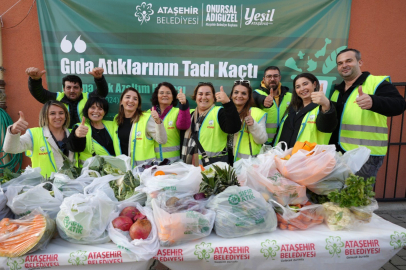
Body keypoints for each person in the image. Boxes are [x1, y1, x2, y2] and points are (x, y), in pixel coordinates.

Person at [330, 48, 406, 180]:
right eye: (340, 63)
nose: (344, 65)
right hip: (338, 153)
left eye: (349, 61)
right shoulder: (337, 91)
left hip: (365, 156)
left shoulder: (377, 83)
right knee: (336, 197)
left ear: (360, 62)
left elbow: (399, 105)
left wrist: (374, 101)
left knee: (358, 198)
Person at [3, 100, 82, 177]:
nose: (58, 117)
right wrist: (13, 131)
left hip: (71, 185)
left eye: (61, 113)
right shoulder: (33, 134)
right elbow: (10, 149)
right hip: (45, 187)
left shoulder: (74, 134)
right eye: (52, 113)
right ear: (45, 116)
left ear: (65, 116)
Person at [25, 67, 109, 128]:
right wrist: (34, 80)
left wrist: (99, 79)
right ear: (63, 89)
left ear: (81, 89)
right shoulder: (57, 98)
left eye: (75, 87)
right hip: (62, 137)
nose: (72, 90)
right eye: (68, 87)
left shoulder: (88, 97)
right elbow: (39, 94)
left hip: (84, 136)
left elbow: (102, 93)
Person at [181, 82, 241, 166]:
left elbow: (233, 128)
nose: (204, 97)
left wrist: (227, 103)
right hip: (191, 165)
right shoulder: (189, 114)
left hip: (215, 165)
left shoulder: (219, 112)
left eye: (208, 94)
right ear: (195, 97)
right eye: (200, 94)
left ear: (213, 98)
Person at [274, 73, 337, 148]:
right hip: (284, 156)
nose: (302, 89)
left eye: (305, 84)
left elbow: (326, 127)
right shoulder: (292, 109)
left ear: (314, 84)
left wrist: (326, 104)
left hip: (308, 157)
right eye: (298, 87)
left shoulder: (325, 107)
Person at [112, 87, 167, 168]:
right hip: (123, 169)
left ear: (138, 104)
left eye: (135, 99)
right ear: (121, 101)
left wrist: (158, 121)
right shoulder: (116, 119)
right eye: (127, 97)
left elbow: (162, 140)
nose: (131, 100)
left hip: (144, 170)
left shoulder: (147, 118)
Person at [68, 96, 117, 166]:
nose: (96, 111)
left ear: (105, 112)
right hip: (89, 172)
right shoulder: (80, 127)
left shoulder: (113, 125)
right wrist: (76, 136)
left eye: (100, 109)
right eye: (92, 108)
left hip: (113, 171)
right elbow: (74, 147)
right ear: (87, 110)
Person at [228, 80, 267, 163]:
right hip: (225, 160)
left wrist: (253, 125)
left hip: (246, 164)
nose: (239, 96)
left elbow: (262, 140)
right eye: (236, 92)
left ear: (249, 97)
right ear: (231, 95)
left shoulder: (256, 113)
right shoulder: (224, 112)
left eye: (244, 93)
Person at [150, 82, 191, 163]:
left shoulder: (178, 111)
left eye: (168, 93)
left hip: (174, 162)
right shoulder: (148, 114)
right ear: (156, 96)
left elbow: (183, 125)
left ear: (173, 97)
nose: (165, 95)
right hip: (154, 163)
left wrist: (183, 104)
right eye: (161, 93)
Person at [254, 66, 292, 144]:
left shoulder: (290, 96)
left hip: (282, 144)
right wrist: (263, 100)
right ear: (264, 79)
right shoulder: (256, 93)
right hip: (262, 143)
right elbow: (256, 98)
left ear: (280, 78)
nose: (272, 79)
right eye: (269, 76)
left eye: (275, 76)